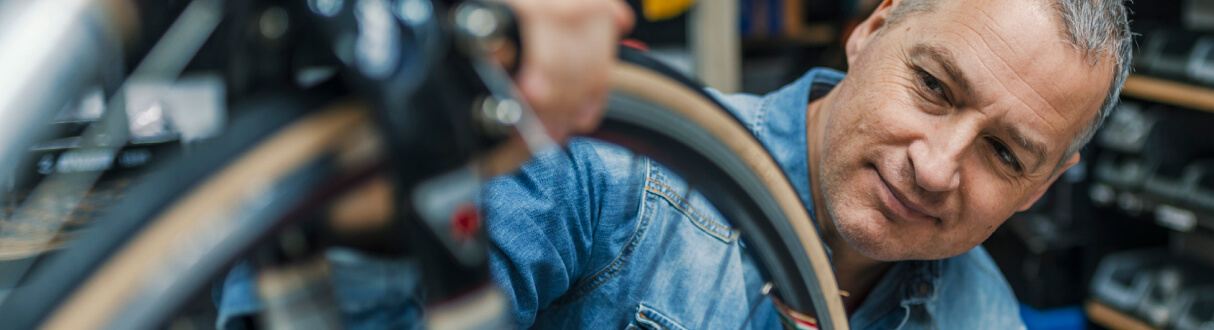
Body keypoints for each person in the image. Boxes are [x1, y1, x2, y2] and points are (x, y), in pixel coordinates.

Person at [218, 0, 1133, 328]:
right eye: (934, 87)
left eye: (1006, 153)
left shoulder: (983, 319)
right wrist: (396, 168)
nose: (938, 167)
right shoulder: (605, 166)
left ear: (1043, 187)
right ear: (874, 28)